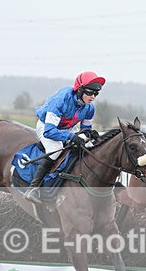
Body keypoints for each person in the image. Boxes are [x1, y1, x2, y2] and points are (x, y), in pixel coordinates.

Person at [24, 71, 105, 202]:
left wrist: (90, 134)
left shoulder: (90, 108)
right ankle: (33, 188)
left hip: (68, 128)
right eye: (90, 92)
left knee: (88, 147)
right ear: (80, 90)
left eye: (96, 94)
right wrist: (70, 137)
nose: (93, 97)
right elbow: (49, 131)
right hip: (47, 126)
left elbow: (85, 130)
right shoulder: (61, 100)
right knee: (55, 150)